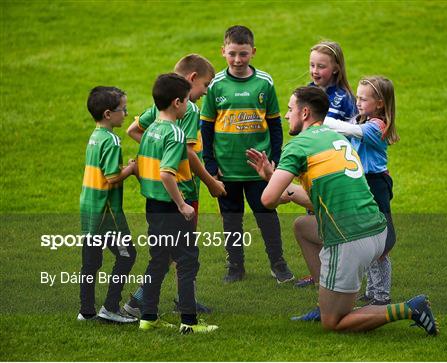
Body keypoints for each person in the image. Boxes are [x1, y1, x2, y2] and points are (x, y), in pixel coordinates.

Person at [246, 86, 438, 335]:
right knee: (303, 227)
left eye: (290, 109)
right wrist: (272, 176)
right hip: (376, 231)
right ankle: (326, 296)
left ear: (305, 113)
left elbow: (268, 200)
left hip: (350, 238)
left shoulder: (298, 146)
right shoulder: (334, 137)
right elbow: (316, 201)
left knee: (333, 322)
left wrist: (269, 181)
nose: (286, 116)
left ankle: (410, 308)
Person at [124, 54, 225, 317]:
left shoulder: (161, 106)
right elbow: (189, 153)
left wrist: (156, 154)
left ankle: (148, 303)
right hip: (183, 189)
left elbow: (134, 130)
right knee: (183, 251)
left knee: (167, 250)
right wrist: (211, 182)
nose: (205, 92)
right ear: (192, 79)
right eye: (205, 84)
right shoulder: (189, 109)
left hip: (159, 194)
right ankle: (173, 306)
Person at [200, 25, 294, 283]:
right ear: (223, 52)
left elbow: (275, 123)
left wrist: (274, 157)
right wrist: (209, 161)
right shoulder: (216, 85)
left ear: (253, 51)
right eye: (232, 54)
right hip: (226, 168)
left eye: (243, 54)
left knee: (266, 215)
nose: (238, 60)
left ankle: (278, 264)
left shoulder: (264, 82)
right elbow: (206, 126)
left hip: (258, 168)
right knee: (231, 220)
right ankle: (235, 266)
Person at [324, 76, 398, 305]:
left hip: (376, 185)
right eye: (357, 97)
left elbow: (346, 129)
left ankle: (382, 296)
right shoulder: (360, 119)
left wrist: (318, 118)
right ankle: (371, 292)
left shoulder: (377, 126)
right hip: (360, 183)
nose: (357, 102)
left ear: (380, 104)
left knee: (381, 243)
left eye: (363, 99)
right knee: (365, 238)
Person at [295, 40, 358, 288]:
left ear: (336, 68)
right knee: (314, 217)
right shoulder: (308, 91)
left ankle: (336, 274)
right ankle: (318, 272)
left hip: (333, 167)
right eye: (312, 65)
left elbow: (352, 134)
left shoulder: (344, 99)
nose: (314, 70)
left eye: (321, 66)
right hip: (312, 165)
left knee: (328, 220)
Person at [78, 86, 138, 324]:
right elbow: (111, 177)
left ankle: (86, 311)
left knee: (90, 262)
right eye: (122, 109)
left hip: (89, 207)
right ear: (107, 114)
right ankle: (111, 307)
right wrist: (131, 169)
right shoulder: (112, 140)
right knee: (128, 255)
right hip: (107, 212)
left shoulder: (95, 136)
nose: (125, 113)